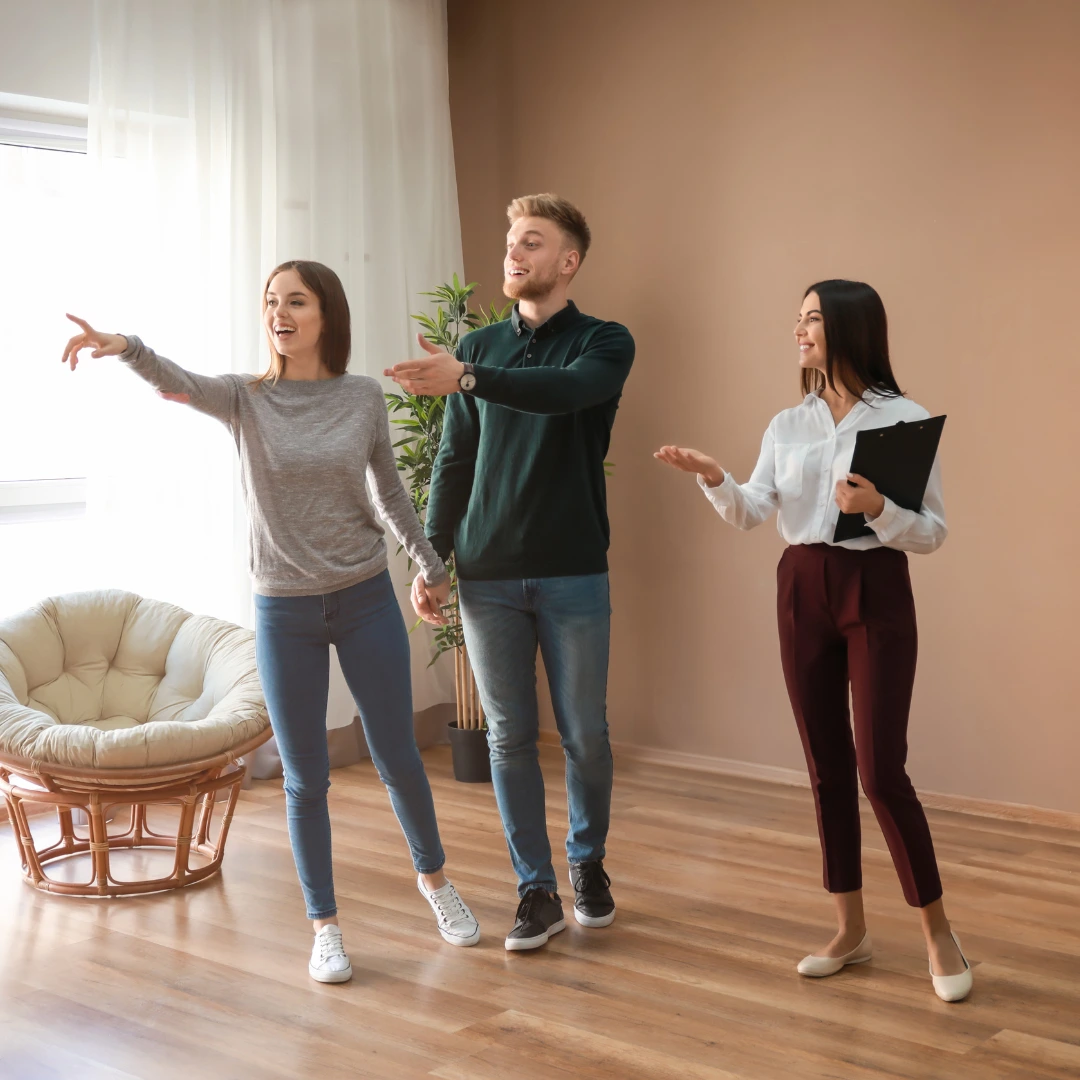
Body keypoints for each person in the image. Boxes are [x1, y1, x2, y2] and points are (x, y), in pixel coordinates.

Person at [61, 259, 480, 984]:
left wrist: (429, 565)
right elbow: (179, 378)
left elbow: (391, 495)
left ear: (326, 316)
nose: (278, 313)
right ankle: (325, 926)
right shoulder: (245, 400)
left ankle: (436, 882)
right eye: (269, 302)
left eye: (295, 301)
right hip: (283, 609)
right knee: (304, 777)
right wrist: (124, 345)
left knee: (397, 759)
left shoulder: (361, 399)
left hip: (364, 596)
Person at [654, 279, 973, 1003]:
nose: (799, 331)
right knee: (826, 766)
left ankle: (939, 933)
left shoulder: (904, 420)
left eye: (813, 319)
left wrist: (881, 507)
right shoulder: (785, 426)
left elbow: (933, 532)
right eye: (796, 319)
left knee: (879, 769)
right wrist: (714, 478)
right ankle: (850, 930)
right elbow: (752, 511)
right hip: (800, 587)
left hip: (876, 588)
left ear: (852, 329)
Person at [385, 195, 635, 951]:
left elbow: (564, 395)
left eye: (532, 241)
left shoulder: (604, 341)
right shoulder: (480, 348)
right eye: (509, 242)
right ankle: (536, 890)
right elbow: (456, 463)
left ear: (569, 261)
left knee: (585, 735)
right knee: (507, 739)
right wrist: (432, 559)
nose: (513, 253)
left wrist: (466, 377)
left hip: (573, 573)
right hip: (488, 578)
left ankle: (587, 865)